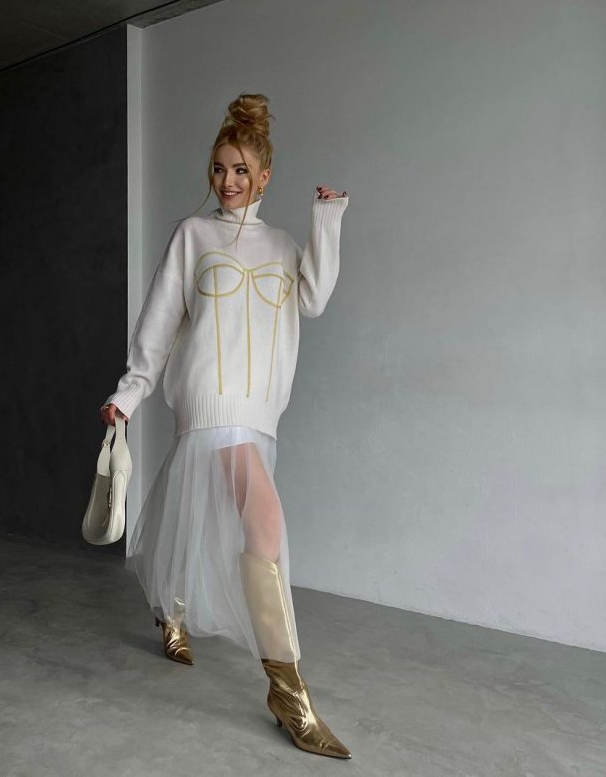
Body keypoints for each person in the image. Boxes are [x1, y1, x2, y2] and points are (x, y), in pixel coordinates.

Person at [100, 93, 351, 759]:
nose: (227, 181)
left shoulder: (282, 245)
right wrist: (130, 393)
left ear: (265, 175)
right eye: (218, 168)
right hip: (208, 399)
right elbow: (159, 323)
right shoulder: (193, 235)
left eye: (240, 170)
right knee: (265, 523)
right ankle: (288, 692)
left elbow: (314, 299)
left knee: (202, 510)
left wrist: (327, 220)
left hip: (260, 408)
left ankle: (170, 607)